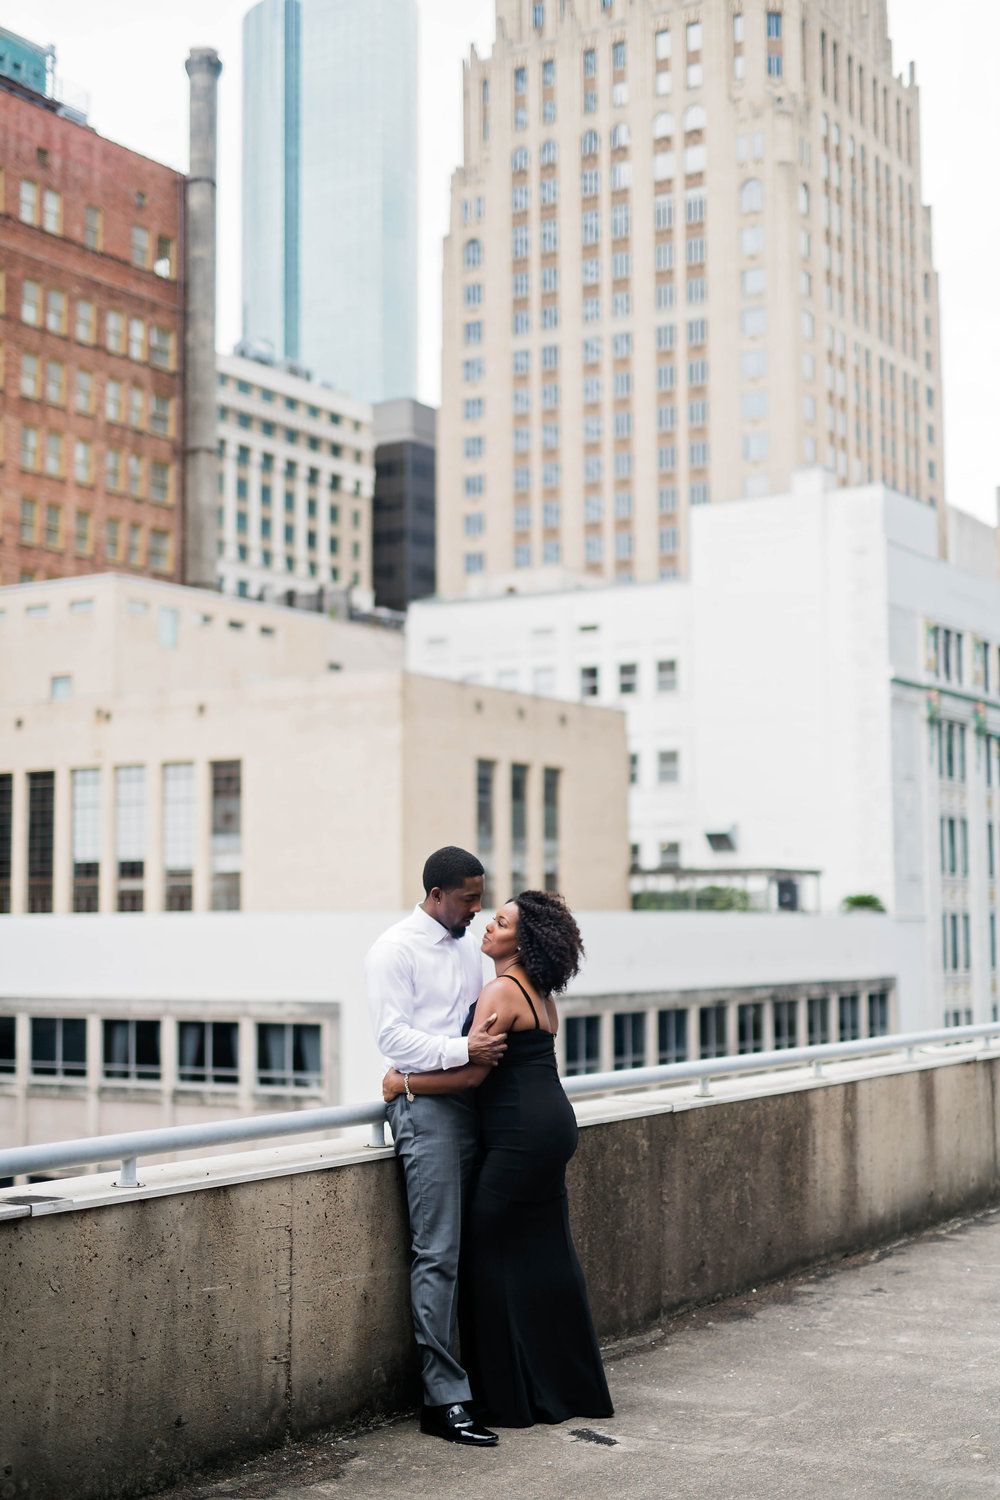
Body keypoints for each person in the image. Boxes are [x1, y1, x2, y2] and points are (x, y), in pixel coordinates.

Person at [383, 889, 614, 1429]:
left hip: (518, 1137)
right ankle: (568, 1387)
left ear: (522, 939)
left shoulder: (499, 991)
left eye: (503, 922)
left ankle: (505, 1397)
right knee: (546, 1256)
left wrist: (402, 1082)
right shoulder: (541, 993)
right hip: (552, 1126)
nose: (489, 925)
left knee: (483, 1257)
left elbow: (470, 1074)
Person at [365, 846, 507, 1448]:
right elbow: (393, 1039)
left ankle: (483, 1383)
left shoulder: (469, 949)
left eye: (480, 898)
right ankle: (443, 1401)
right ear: (437, 895)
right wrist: (460, 1053)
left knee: (474, 1252)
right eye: (469, 899)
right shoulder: (394, 949)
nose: (477, 910)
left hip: (479, 1106)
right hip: (428, 1112)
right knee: (438, 1254)